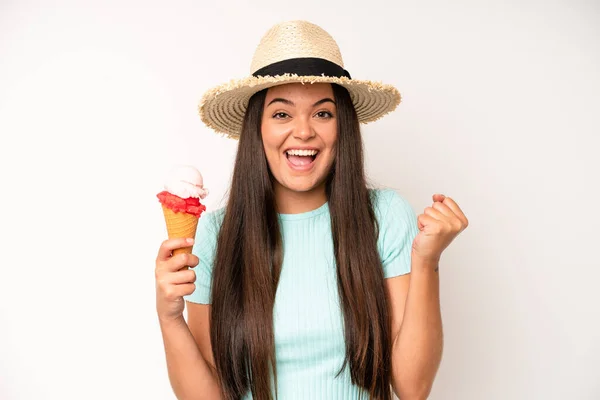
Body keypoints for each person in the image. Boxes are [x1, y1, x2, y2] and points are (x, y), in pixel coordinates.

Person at [154, 20, 468, 400]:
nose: (303, 132)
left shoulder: (385, 217)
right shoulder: (216, 234)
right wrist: (170, 318)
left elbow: (412, 388)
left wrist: (427, 262)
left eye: (322, 113)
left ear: (344, 127)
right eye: (282, 114)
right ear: (258, 129)